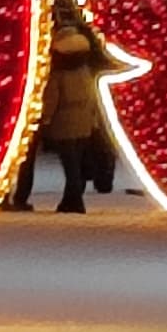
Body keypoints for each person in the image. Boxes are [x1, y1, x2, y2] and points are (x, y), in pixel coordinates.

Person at [36, 12, 112, 216]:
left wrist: (45, 119)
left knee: (69, 165)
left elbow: (52, 99)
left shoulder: (59, 74)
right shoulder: (84, 70)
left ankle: (74, 200)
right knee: (75, 163)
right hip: (83, 121)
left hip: (64, 122)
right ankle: (71, 199)